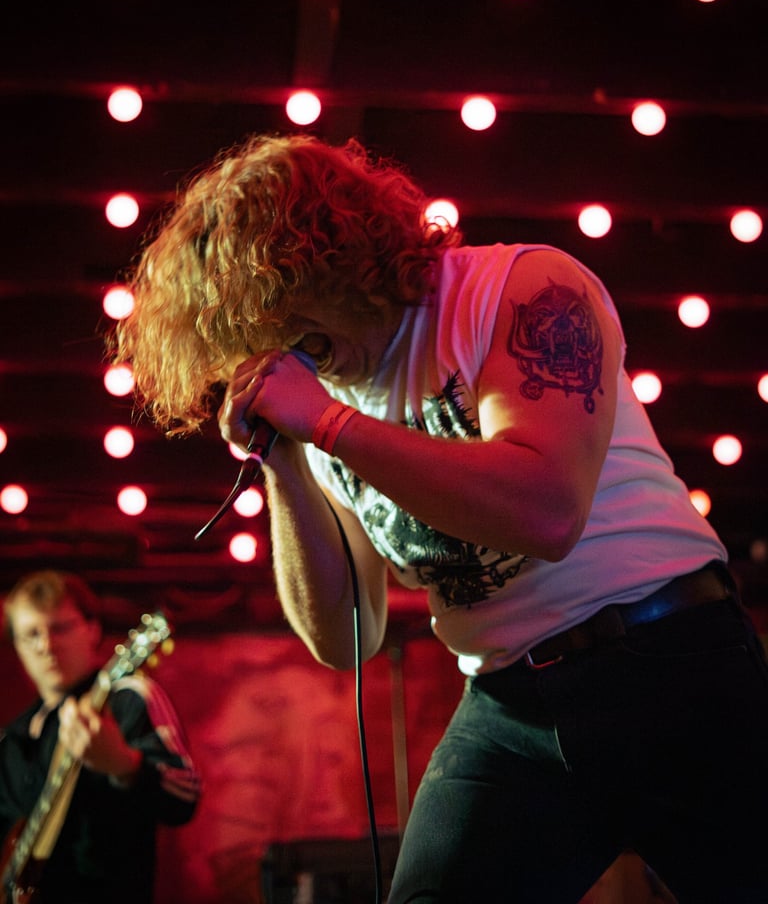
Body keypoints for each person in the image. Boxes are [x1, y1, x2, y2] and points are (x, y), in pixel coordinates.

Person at [112, 132, 768, 903]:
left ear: (329, 257)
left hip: (670, 659)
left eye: (276, 318)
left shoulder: (521, 288)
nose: (274, 350)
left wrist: (326, 424)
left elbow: (546, 513)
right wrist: (286, 466)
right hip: (511, 704)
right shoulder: (323, 401)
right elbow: (344, 639)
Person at [0, 569, 201, 904]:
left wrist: (125, 765)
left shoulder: (127, 698)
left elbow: (185, 798)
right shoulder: (12, 739)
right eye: (31, 634)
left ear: (92, 629)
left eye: (60, 628)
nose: (46, 645)